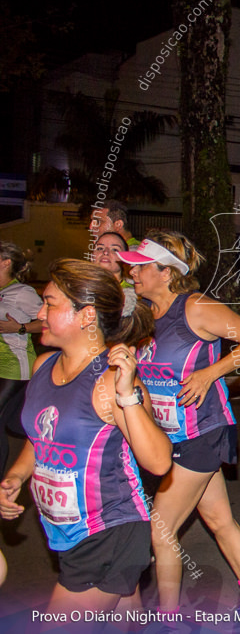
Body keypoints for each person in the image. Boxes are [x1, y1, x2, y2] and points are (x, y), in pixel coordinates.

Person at [117, 233, 240, 617]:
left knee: (160, 529)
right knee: (220, 520)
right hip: (169, 436)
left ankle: (167, 619)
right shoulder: (144, 312)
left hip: (203, 432)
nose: (132, 272)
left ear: (167, 272)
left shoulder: (196, 307)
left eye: (140, 266)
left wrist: (211, 373)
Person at [0, 258, 170, 614]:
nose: (40, 313)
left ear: (86, 316)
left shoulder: (110, 380)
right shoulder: (43, 365)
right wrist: (17, 475)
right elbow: (40, 438)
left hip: (110, 531)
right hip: (67, 534)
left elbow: (158, 461)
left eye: (50, 303)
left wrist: (127, 395)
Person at [0, 242, 43, 474]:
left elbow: (46, 321)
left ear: (6, 262)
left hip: (15, 368)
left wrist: (20, 327)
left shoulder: (22, 293)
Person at [94, 231, 137, 312]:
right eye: (100, 248)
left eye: (114, 249)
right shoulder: (80, 287)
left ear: (125, 259)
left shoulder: (131, 295)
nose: (105, 252)